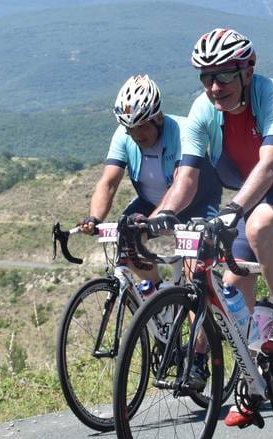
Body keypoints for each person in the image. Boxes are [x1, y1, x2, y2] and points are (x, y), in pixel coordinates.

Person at [146, 28, 273, 427]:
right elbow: (187, 177)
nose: (215, 86)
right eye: (206, 77)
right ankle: (256, 379)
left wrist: (234, 210)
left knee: (260, 225)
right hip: (252, 193)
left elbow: (270, 165)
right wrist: (163, 213)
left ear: (248, 70)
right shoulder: (202, 111)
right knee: (231, 287)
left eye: (225, 75)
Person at [77, 74, 221, 292]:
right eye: (129, 128)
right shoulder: (123, 136)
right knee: (126, 237)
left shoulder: (184, 131)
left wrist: (150, 221)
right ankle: (157, 298)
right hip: (150, 203)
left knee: (194, 280)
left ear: (159, 118)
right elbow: (108, 183)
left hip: (196, 202)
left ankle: (200, 317)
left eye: (142, 126)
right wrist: (94, 218)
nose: (136, 134)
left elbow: (181, 183)